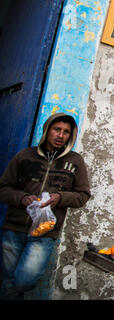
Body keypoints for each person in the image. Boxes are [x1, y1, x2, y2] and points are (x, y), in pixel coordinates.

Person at [0, 112, 91, 299]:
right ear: (47, 130)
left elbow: (82, 196)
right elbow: (3, 188)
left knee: (25, 280)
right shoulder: (24, 156)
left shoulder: (75, 162)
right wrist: (22, 197)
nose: (61, 135)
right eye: (57, 129)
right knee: (7, 280)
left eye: (66, 132)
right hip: (14, 228)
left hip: (44, 232)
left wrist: (60, 197)